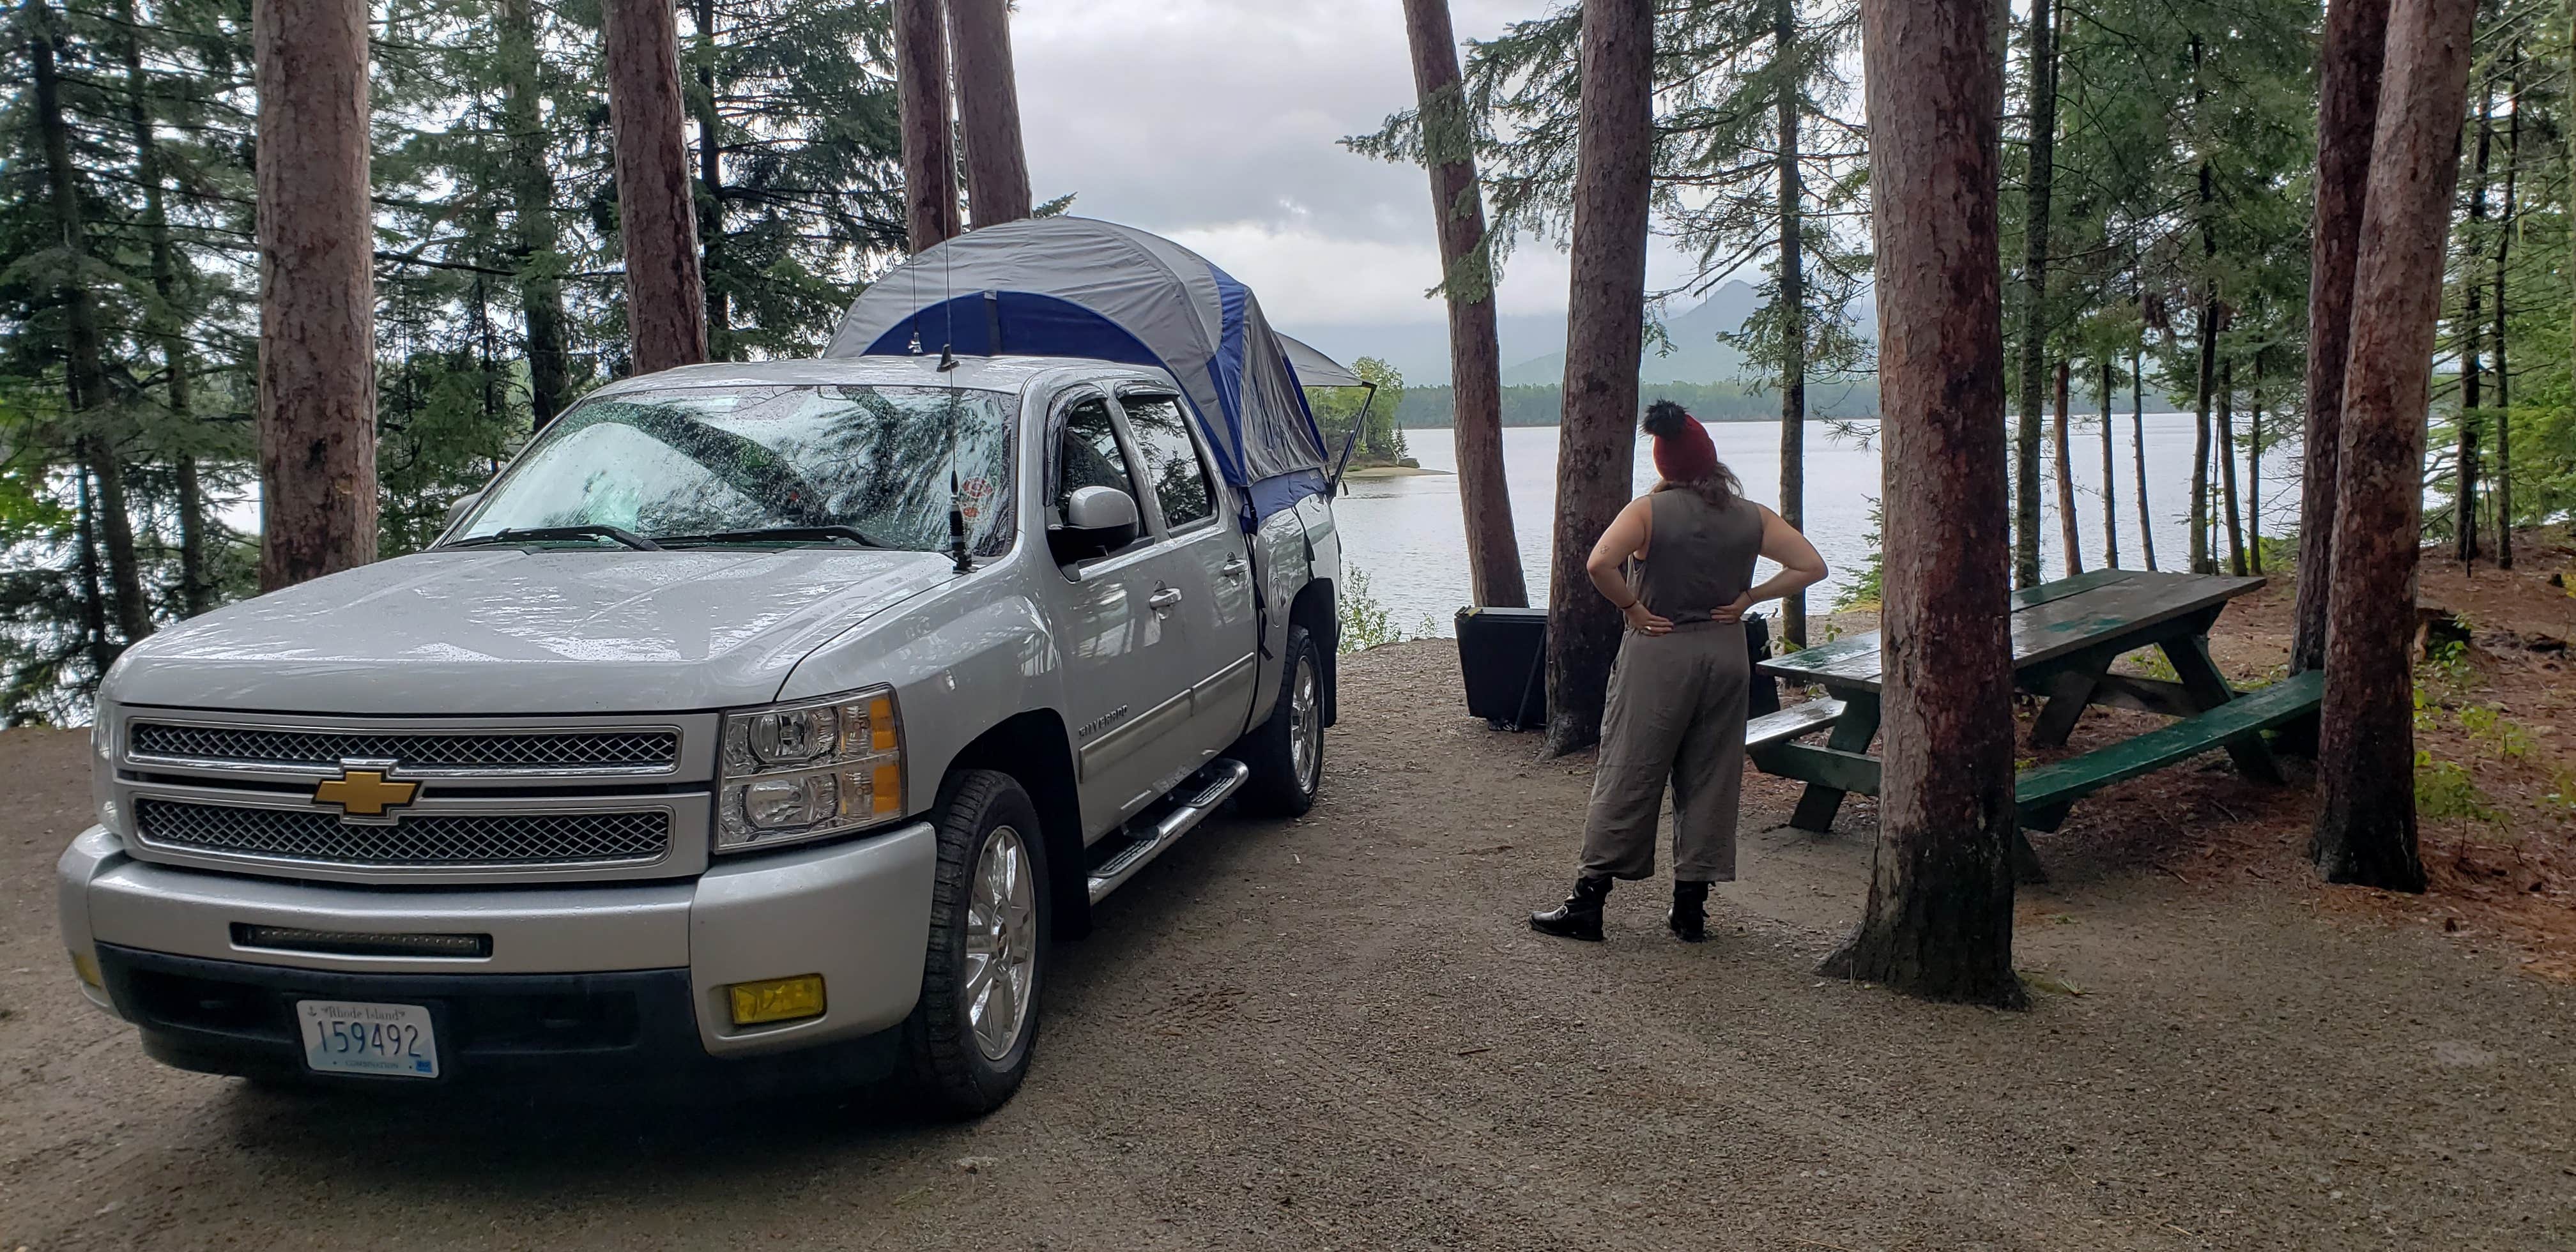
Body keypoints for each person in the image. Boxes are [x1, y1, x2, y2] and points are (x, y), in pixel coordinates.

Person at [1529, 400, 1828, 943]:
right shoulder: (1753, 516)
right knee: (1713, 776)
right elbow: (1812, 566)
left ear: (1664, 463)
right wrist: (1750, 598)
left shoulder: (1647, 512)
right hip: (1726, 656)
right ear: (1711, 460)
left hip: (1659, 654)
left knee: (1630, 770)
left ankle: (1588, 902)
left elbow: (1599, 563)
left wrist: (1633, 608)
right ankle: (1691, 908)